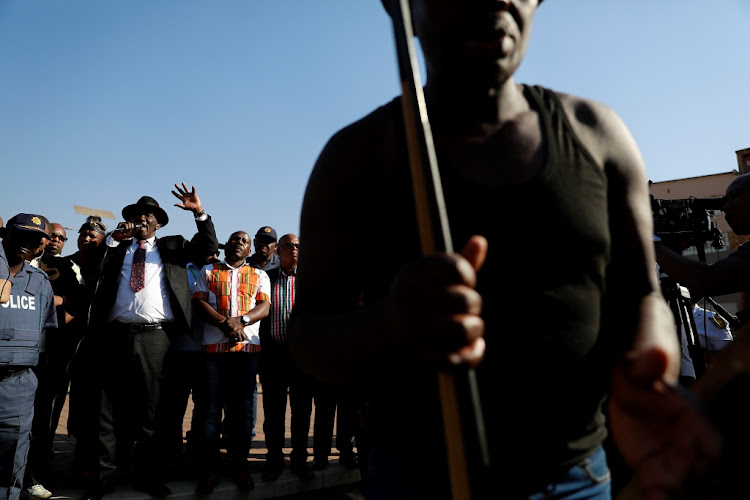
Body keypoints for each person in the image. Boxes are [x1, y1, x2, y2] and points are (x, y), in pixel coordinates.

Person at [288, 1, 721, 499]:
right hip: (423, 479)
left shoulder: (597, 133)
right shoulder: (357, 156)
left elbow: (642, 292)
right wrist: (388, 324)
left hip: (581, 476)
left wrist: (650, 369)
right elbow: (308, 337)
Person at [81, 183, 218, 500]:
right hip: (114, 335)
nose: (143, 219)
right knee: (106, 410)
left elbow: (208, 244)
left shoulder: (173, 247)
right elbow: (90, 265)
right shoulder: (116, 251)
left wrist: (199, 212)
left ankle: (148, 475)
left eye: (149, 215)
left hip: (156, 338)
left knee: (152, 413)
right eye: (138, 215)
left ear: (158, 222)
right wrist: (113, 240)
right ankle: (103, 477)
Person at [191, 231, 270, 494]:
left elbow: (264, 306)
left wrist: (242, 322)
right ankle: (211, 469)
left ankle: (240, 467)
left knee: (242, 412)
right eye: (235, 239)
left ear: (249, 250)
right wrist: (226, 324)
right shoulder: (209, 270)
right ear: (227, 246)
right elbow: (199, 301)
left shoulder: (259, 274)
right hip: (214, 351)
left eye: (244, 241)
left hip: (246, 351)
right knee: (210, 411)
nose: (239, 243)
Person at [24, 223, 85, 499]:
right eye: (52, 236)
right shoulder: (22, 261)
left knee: (46, 418)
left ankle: (39, 472)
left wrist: (56, 307)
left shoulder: (67, 268)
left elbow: (78, 303)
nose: (56, 241)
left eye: (62, 238)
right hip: (22, 350)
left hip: (53, 356)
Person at [0, 214, 57, 500]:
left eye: (35, 239)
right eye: (20, 234)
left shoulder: (40, 282)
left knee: (12, 455)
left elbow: (44, 332)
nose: (27, 243)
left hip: (18, 383)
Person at [258, 234, 316, 482]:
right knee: (273, 411)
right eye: (288, 245)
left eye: (298, 246)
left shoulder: (312, 281)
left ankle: (300, 461)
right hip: (273, 354)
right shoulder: (265, 278)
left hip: (302, 355)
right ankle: (273, 460)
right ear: (277, 251)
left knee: (302, 411)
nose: (293, 249)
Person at [64, 216, 108, 482]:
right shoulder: (64, 264)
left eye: (93, 235)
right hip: (71, 344)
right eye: (84, 234)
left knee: (99, 408)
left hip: (102, 345)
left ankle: (97, 463)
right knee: (79, 407)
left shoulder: (110, 264)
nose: (87, 238)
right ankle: (80, 460)